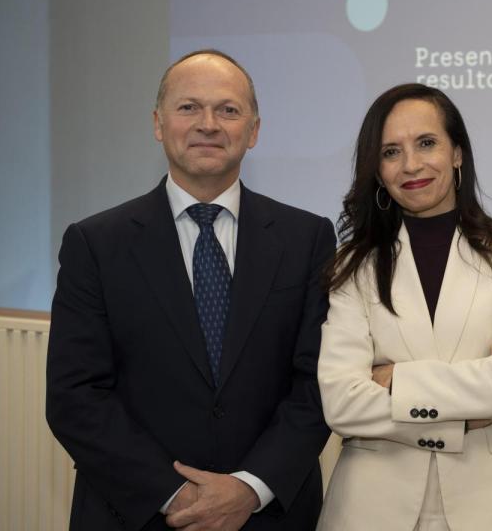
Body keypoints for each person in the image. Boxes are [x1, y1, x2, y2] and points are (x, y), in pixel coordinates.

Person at [46, 49, 335, 530]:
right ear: (158, 124)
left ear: (254, 130)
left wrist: (248, 489)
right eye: (189, 107)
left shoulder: (307, 238)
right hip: (136, 513)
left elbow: (318, 383)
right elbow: (75, 395)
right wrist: (175, 495)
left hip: (267, 514)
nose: (208, 124)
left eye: (228, 109)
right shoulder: (94, 243)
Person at [317, 83, 492, 530]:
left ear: (457, 153)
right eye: (391, 152)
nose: (411, 164)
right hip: (374, 507)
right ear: (377, 171)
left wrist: (396, 379)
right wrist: (469, 413)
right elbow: (342, 403)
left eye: (426, 143)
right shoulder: (353, 265)